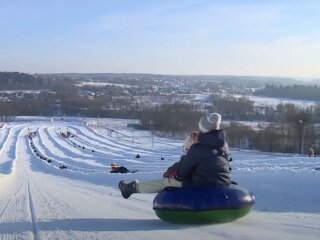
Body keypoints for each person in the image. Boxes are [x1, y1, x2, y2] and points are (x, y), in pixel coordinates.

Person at [118, 112, 231, 199]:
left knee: (166, 182)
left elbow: (184, 168)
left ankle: (132, 188)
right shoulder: (223, 145)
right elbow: (226, 164)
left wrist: (178, 177)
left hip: (203, 184)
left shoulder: (197, 148)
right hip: (223, 181)